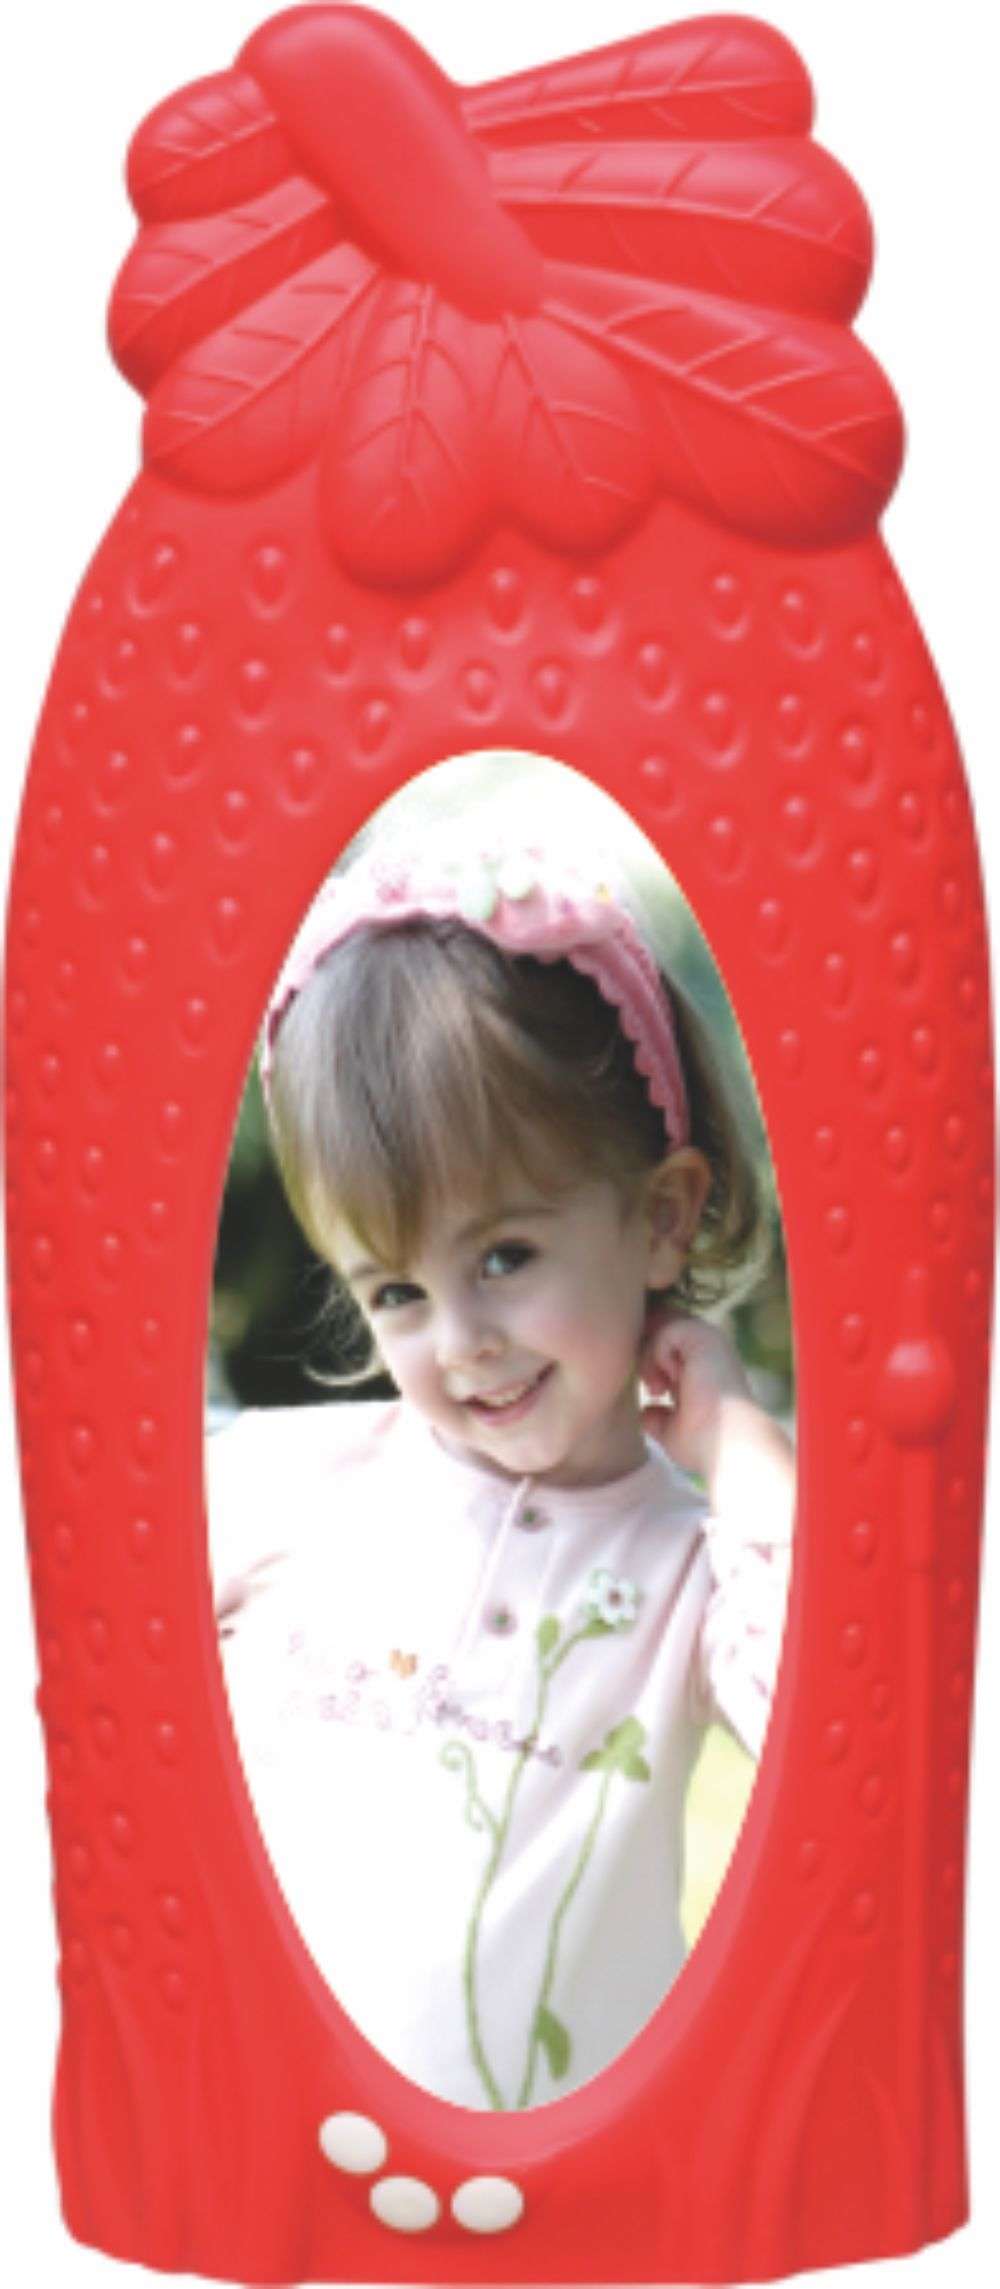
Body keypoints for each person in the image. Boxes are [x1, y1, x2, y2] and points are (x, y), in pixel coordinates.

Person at [207, 815, 794, 2113]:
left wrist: (739, 1444)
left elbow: (847, 1724)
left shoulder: (695, 1570)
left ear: (661, 1217)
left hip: (585, 2191)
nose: (461, 1339)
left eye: (505, 1256)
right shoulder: (302, 1484)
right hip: (288, 2168)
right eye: (396, 1290)